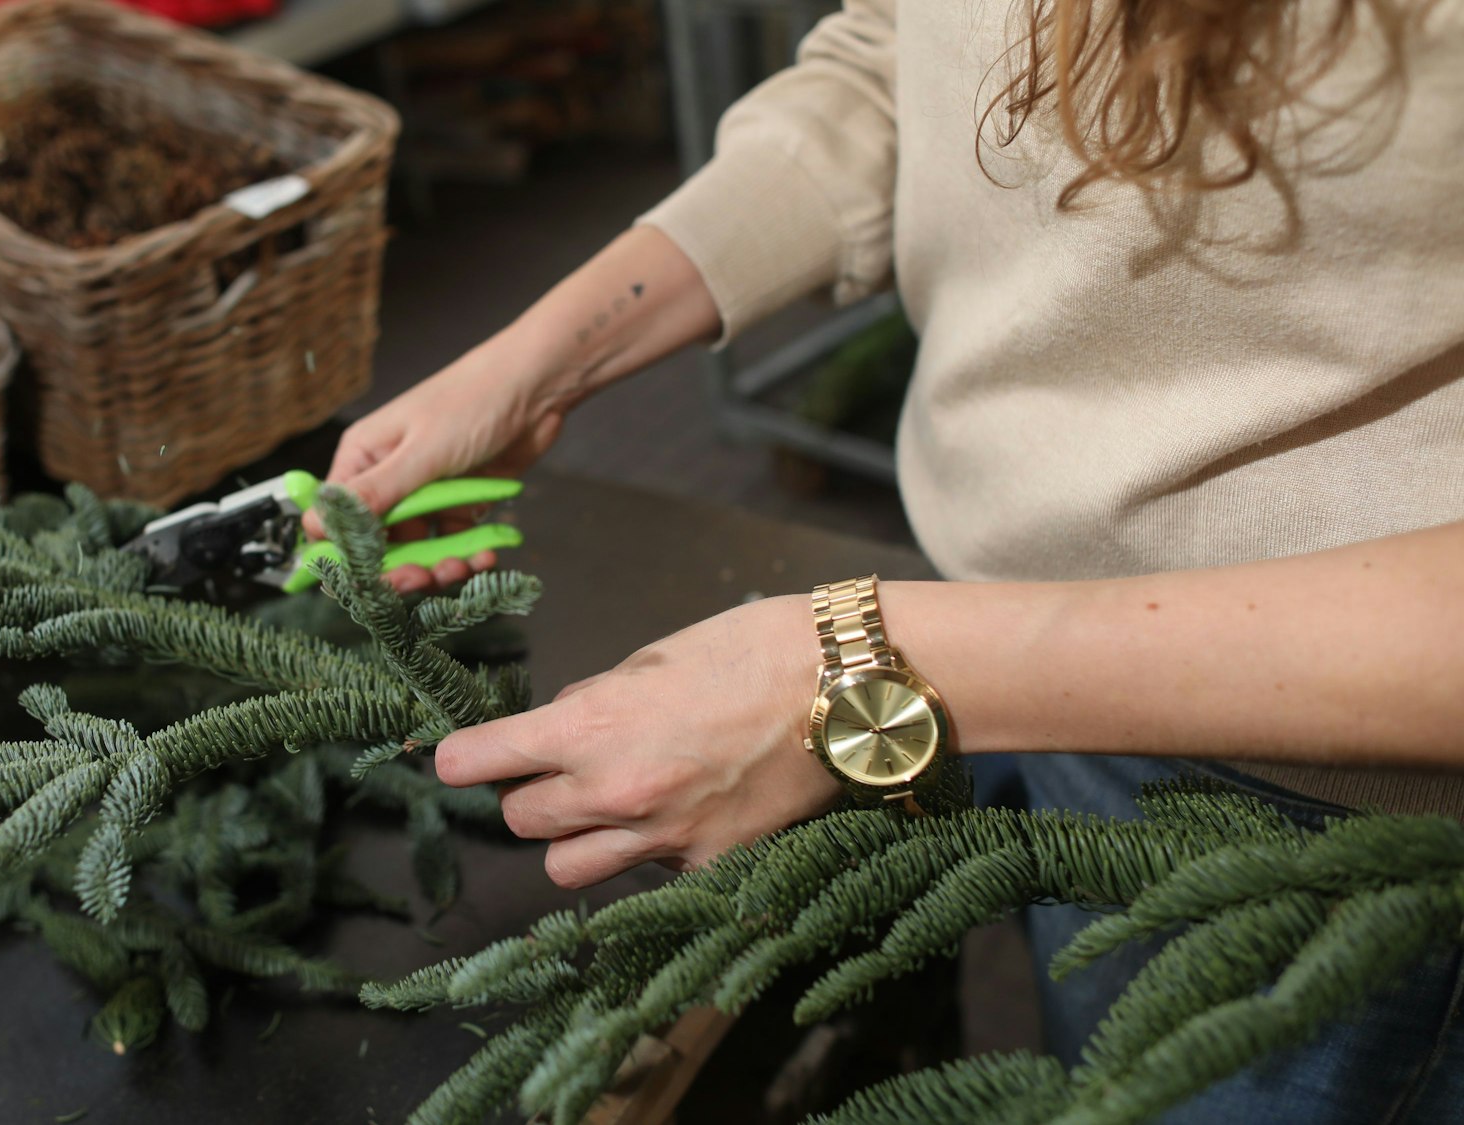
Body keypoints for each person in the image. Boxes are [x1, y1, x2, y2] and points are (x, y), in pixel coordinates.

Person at [311, 0, 1464, 1118]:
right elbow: (900, 63)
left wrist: (860, 663)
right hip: (998, 636)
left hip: (1329, 805)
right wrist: (540, 359)